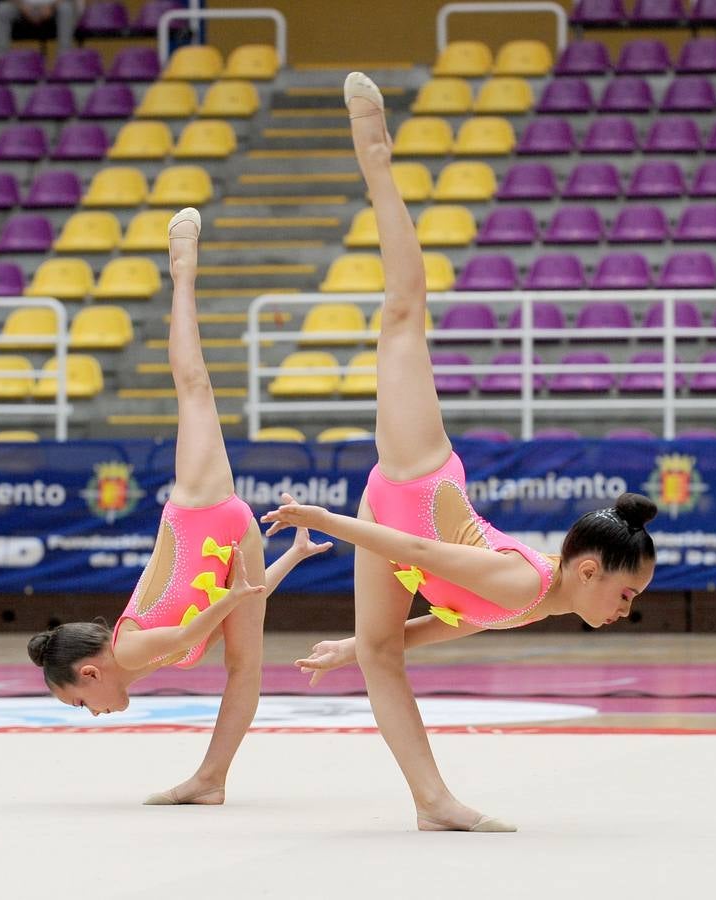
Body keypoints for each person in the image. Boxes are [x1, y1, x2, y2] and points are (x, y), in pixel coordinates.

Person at [262, 73, 658, 833]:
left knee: (381, 654)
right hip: (415, 479)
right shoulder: (517, 582)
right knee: (403, 316)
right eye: (626, 592)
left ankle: (431, 802)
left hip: (401, 532)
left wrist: (351, 645)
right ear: (586, 569)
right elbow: (413, 544)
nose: (626, 608)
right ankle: (375, 151)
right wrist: (326, 518)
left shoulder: (531, 604)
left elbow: (426, 627)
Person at [28, 208, 331, 806]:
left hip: (198, 511)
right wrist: (293, 557)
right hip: (231, 545)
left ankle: (182, 270)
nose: (92, 713)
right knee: (246, 670)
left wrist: (233, 596)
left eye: (80, 704)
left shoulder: (131, 649)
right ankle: (212, 779)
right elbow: (234, 601)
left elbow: (196, 625)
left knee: (194, 387)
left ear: (91, 673)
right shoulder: (134, 663)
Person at [0, 0, 78, 60]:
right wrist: (22, 7)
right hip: (22, 9)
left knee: (66, 8)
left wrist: (52, 7)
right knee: (1, 9)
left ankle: (65, 57)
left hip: (53, 10)